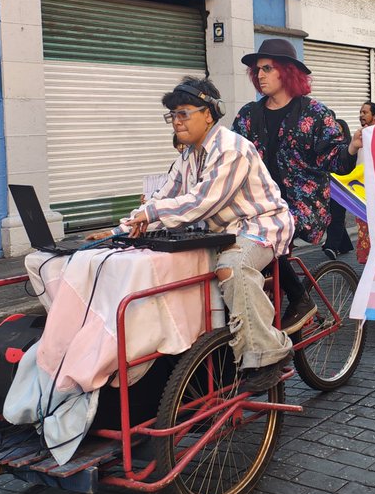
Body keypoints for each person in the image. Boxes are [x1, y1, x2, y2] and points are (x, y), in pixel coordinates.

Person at [89, 77, 294, 394]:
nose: (176, 121)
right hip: (219, 232)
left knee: (232, 268)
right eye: (172, 115)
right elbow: (161, 197)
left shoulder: (232, 149)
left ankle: (266, 353)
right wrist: (119, 230)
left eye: (183, 113)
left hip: (259, 225)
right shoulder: (187, 156)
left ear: (209, 114)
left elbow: (202, 201)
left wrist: (153, 214)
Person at [232, 39, 359, 328]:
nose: (260, 75)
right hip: (258, 206)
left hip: (301, 205)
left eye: (268, 68)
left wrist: (350, 149)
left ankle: (300, 299)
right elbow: (229, 158)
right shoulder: (247, 116)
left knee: (266, 237)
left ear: (287, 72)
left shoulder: (314, 113)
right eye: (257, 69)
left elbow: (334, 161)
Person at [322, 118, 355, 259]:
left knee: (337, 216)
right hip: (328, 187)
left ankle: (331, 246)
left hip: (343, 189)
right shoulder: (328, 146)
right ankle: (344, 244)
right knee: (332, 216)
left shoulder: (350, 149)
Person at [354, 101, 375, 264]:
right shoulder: (359, 136)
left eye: (365, 112)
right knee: (363, 230)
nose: (361, 115)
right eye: (361, 112)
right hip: (361, 192)